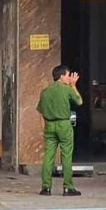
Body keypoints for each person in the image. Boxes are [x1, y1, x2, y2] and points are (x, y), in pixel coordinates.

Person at [36, 64, 83, 196]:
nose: (69, 78)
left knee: (48, 156)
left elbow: (40, 110)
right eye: (68, 76)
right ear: (62, 76)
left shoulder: (45, 91)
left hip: (49, 125)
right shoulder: (66, 89)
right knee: (66, 155)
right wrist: (73, 85)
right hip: (64, 124)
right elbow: (79, 101)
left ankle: (46, 187)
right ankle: (68, 186)